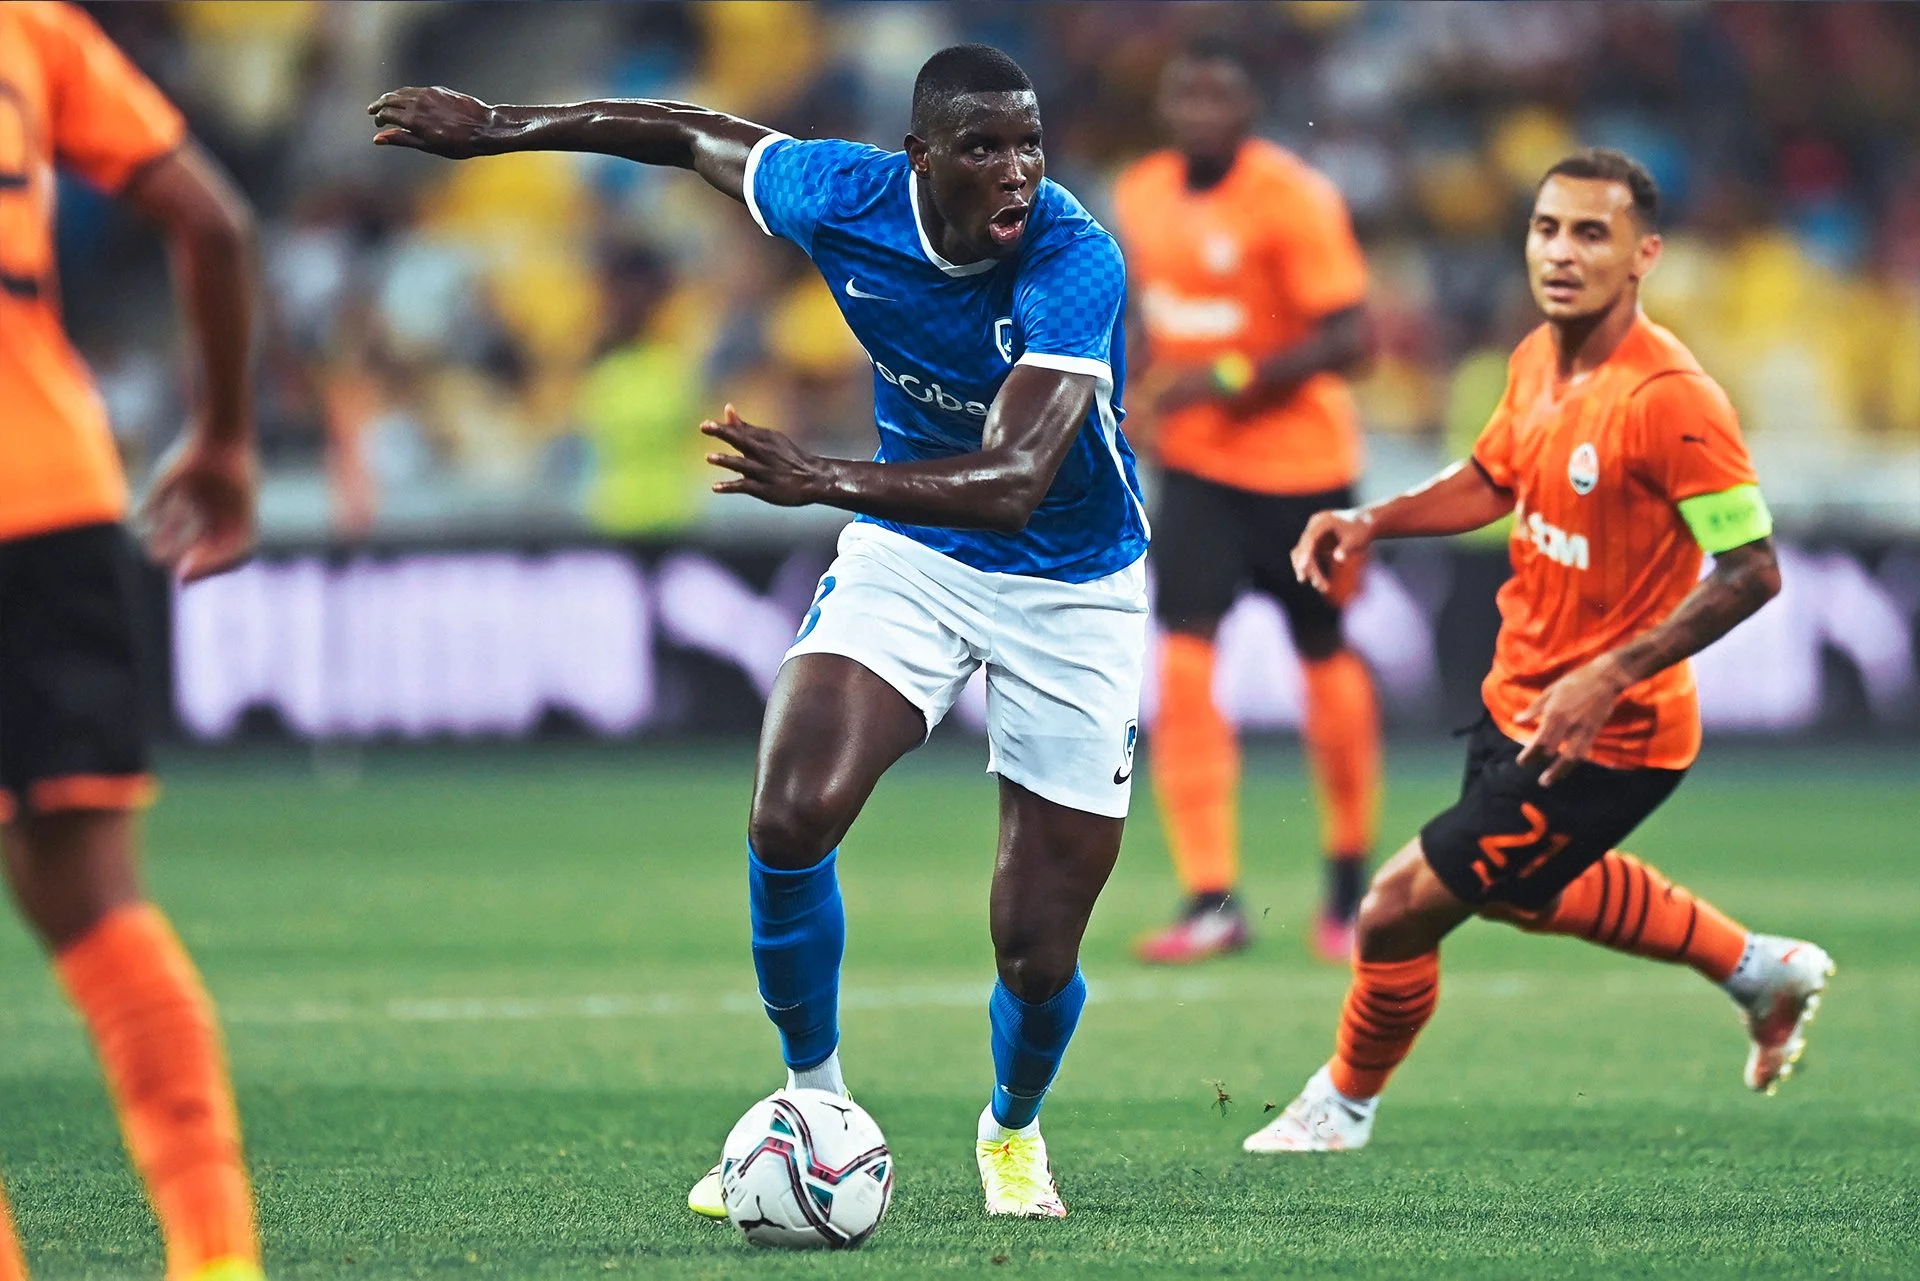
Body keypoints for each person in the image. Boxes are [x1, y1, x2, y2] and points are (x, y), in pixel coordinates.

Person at [370, 43, 1146, 1219]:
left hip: (1072, 582)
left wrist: (822, 477)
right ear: (919, 157)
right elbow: (689, 135)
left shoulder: (1074, 258)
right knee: (789, 814)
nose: (1017, 170)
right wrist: (501, 126)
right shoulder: (841, 194)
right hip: (914, 553)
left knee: (1036, 947)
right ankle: (809, 1107)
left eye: (1029, 144)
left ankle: (1012, 1129)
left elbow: (1015, 481)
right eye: (984, 147)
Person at [1242, 150, 1832, 1155]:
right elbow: (1492, 476)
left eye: (1591, 233)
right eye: (1547, 228)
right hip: (1520, 696)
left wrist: (1610, 674)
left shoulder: (1672, 400)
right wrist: (1372, 520)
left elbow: (1753, 570)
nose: (1561, 252)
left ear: (1644, 254)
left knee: (1392, 912)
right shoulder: (1536, 360)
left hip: (1608, 735)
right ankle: (1758, 969)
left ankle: (1339, 1106)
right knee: (1524, 894)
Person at [0, 4, 263, 1277]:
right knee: (98, 908)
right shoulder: (31, 26)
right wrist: (224, 437)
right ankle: (216, 1257)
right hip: (52, 492)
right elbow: (215, 221)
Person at [1111, 42, 1380, 966]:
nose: (1199, 112)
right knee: (1183, 664)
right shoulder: (1141, 193)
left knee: (1324, 655)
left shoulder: (1294, 198)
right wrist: (1136, 392)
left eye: (1217, 96)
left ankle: (1347, 892)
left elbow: (1352, 337)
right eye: (1185, 94)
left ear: (1248, 108)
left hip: (1304, 470)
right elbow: (1151, 320)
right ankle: (1210, 900)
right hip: (1198, 470)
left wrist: (1224, 378)